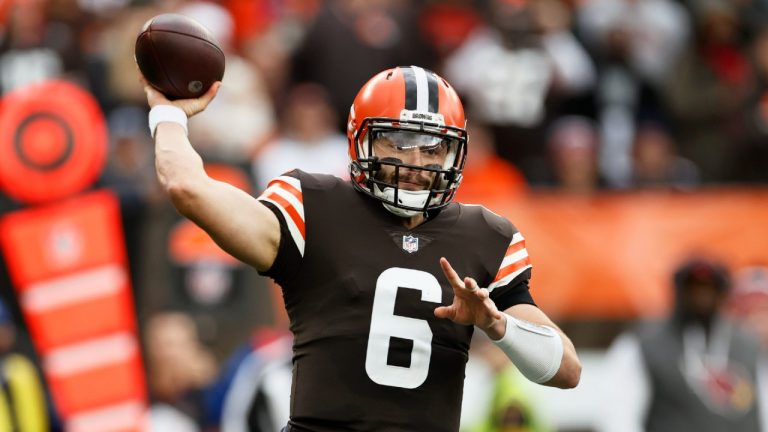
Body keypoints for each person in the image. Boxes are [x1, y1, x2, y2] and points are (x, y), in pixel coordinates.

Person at [140, 65, 581, 431]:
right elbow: (187, 187)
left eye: (434, 147)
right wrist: (168, 115)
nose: (417, 163)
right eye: (399, 142)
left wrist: (498, 325)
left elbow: (566, 370)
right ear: (361, 140)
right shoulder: (312, 207)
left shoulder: (485, 236)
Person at [598, 257, 765, 432]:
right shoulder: (644, 344)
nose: (702, 296)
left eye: (709, 289)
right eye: (694, 289)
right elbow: (618, 416)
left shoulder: (749, 347)